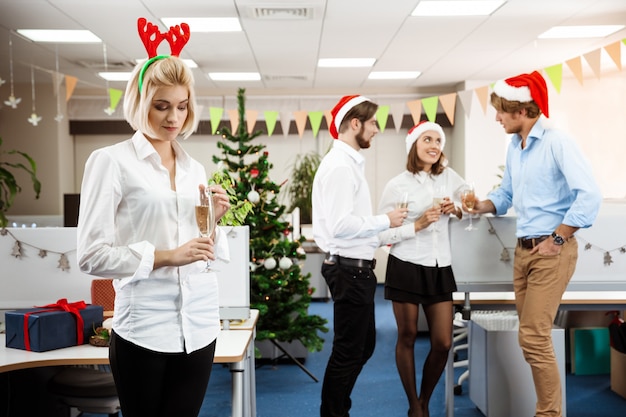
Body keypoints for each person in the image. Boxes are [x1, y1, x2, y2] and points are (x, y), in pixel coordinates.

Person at [76, 18, 230, 417]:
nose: (173, 117)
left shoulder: (194, 167)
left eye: (181, 107)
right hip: (143, 326)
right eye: (161, 106)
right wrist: (166, 256)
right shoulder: (110, 162)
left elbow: (201, 248)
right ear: (141, 102)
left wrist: (213, 220)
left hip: (198, 326)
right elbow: (91, 255)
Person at [467, 71, 602, 417]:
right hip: (524, 251)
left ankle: (549, 415)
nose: (496, 117)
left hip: (550, 251)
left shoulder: (558, 142)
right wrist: (480, 205)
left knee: (533, 336)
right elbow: (506, 193)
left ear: (522, 109)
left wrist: (558, 238)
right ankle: (550, 411)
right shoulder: (516, 146)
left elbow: (588, 196)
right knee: (530, 339)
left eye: (500, 110)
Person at [312, 95, 407, 417]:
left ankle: (339, 409)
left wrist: (387, 235)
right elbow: (340, 226)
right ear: (355, 124)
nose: (377, 130)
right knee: (348, 351)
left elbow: (352, 226)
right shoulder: (340, 166)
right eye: (373, 123)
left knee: (362, 347)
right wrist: (385, 221)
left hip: (355, 268)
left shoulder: (348, 163)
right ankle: (334, 413)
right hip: (349, 272)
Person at [378, 121, 466, 417]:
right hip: (405, 263)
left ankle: (425, 399)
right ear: (414, 145)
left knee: (442, 342)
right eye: (427, 139)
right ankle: (415, 406)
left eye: (438, 141)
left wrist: (457, 209)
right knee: (408, 335)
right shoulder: (397, 185)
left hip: (440, 266)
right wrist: (417, 225)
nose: (434, 145)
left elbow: (469, 202)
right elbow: (380, 234)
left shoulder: (449, 178)